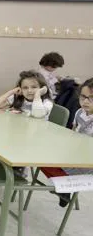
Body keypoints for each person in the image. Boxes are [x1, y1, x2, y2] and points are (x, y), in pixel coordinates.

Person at [37, 78, 93, 206]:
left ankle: (65, 185)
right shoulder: (80, 112)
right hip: (73, 153)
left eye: (91, 98)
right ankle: (63, 185)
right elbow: (73, 133)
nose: (85, 101)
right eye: (83, 96)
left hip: (86, 161)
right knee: (38, 154)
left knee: (45, 159)